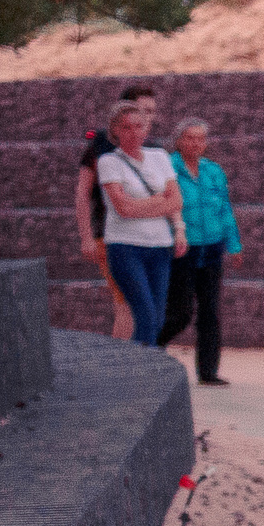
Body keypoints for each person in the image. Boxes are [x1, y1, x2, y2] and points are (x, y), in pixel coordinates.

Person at [93, 100, 185, 345]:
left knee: (157, 317)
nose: (133, 133)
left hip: (159, 246)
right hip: (126, 246)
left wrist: (168, 218)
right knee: (144, 314)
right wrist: (158, 201)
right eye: (126, 127)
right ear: (115, 131)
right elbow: (123, 209)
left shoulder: (159, 157)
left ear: (146, 129)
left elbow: (176, 201)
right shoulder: (109, 162)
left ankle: (139, 367)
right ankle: (143, 374)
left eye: (138, 126)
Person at [160, 118, 241, 386]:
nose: (196, 144)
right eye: (190, 138)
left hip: (212, 248)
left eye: (200, 139)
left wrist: (234, 244)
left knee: (211, 311)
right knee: (180, 311)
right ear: (179, 141)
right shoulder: (168, 168)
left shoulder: (213, 171)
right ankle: (151, 347)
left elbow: (225, 209)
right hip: (182, 249)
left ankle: (208, 372)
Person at [75, 84, 158, 340]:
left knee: (138, 306)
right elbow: (83, 192)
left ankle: (130, 365)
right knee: (127, 306)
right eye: (142, 110)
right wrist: (86, 236)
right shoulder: (101, 143)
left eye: (152, 112)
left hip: (146, 238)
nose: (148, 117)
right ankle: (123, 368)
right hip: (111, 236)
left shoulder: (153, 149)